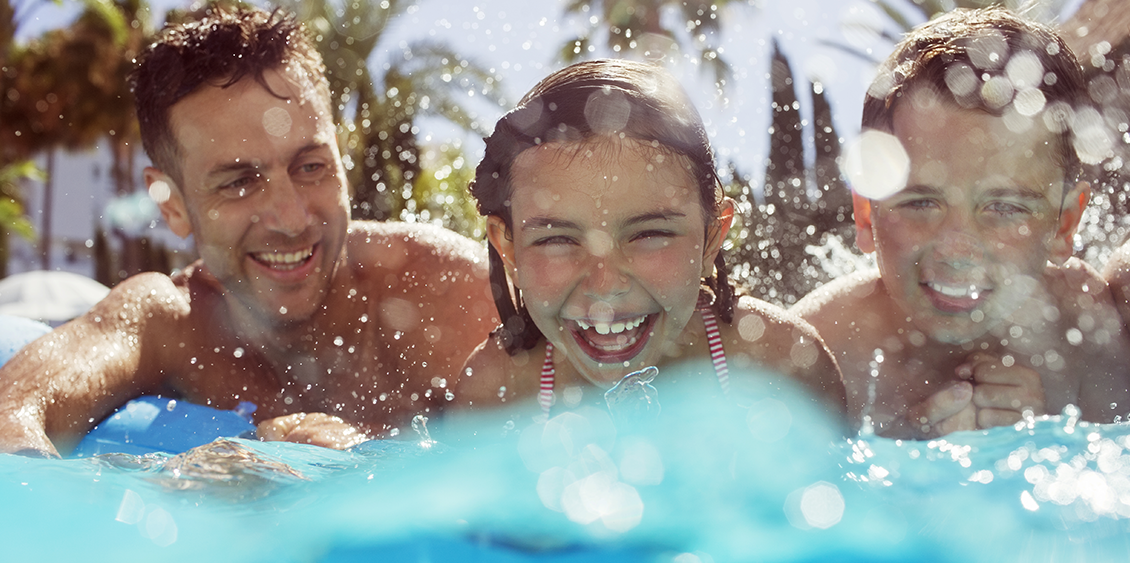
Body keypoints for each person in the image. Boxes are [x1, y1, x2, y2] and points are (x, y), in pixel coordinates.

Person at [0, 6, 498, 457]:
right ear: (172, 205)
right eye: (239, 183)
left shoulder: (445, 293)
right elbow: (12, 415)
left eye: (310, 166)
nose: (292, 219)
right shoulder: (168, 322)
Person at [449, 59, 846, 426]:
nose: (604, 283)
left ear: (711, 239)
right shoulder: (497, 394)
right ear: (510, 250)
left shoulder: (780, 364)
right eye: (557, 240)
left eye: (648, 234)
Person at [793, 7, 1130, 439]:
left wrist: (1048, 428)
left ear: (1064, 226)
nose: (955, 246)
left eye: (1005, 208)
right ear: (865, 215)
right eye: (920, 203)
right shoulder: (821, 356)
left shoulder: (1091, 336)